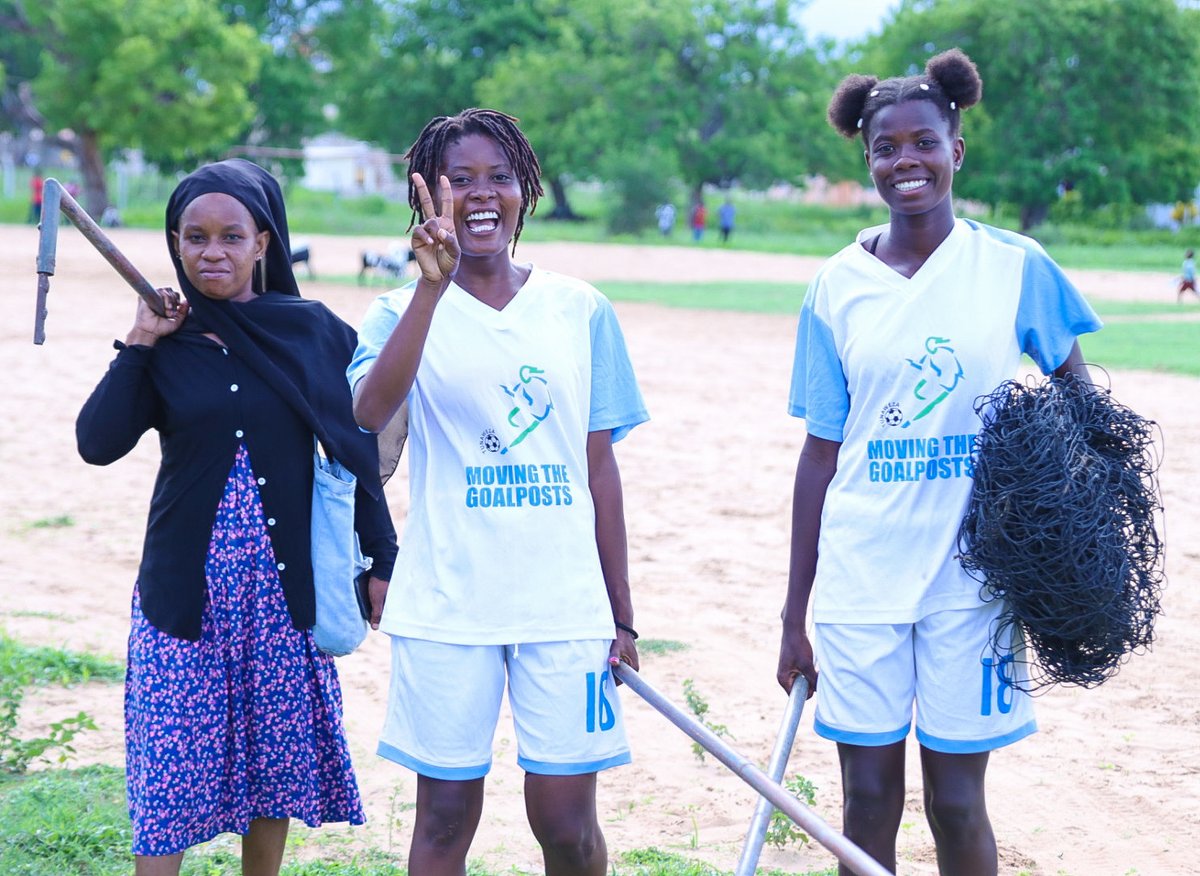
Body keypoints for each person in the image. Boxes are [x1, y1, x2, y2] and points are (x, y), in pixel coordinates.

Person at [775, 50, 1101, 876]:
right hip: (862, 580)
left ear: (958, 147)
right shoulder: (835, 286)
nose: (905, 162)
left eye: (924, 142)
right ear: (868, 158)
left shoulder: (1013, 265)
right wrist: (793, 617)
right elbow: (819, 455)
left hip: (976, 580)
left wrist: (1069, 525)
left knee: (958, 807)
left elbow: (1081, 403)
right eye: (887, 148)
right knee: (868, 807)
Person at [347, 108, 648, 876]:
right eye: (457, 181)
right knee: (444, 820)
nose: (480, 196)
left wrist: (621, 613)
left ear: (525, 190)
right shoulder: (397, 308)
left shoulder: (580, 308)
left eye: (498, 178)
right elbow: (368, 413)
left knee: (567, 825)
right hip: (449, 603)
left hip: (562, 605)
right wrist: (428, 289)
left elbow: (599, 468)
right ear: (426, 197)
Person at [76, 158, 397, 876]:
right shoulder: (165, 341)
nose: (211, 252)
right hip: (183, 595)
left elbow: (357, 446)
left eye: (230, 236)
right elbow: (96, 444)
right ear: (174, 242)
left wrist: (381, 558)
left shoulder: (313, 332)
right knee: (166, 770)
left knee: (271, 768)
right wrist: (141, 341)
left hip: (283, 595)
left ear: (264, 244)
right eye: (194, 237)